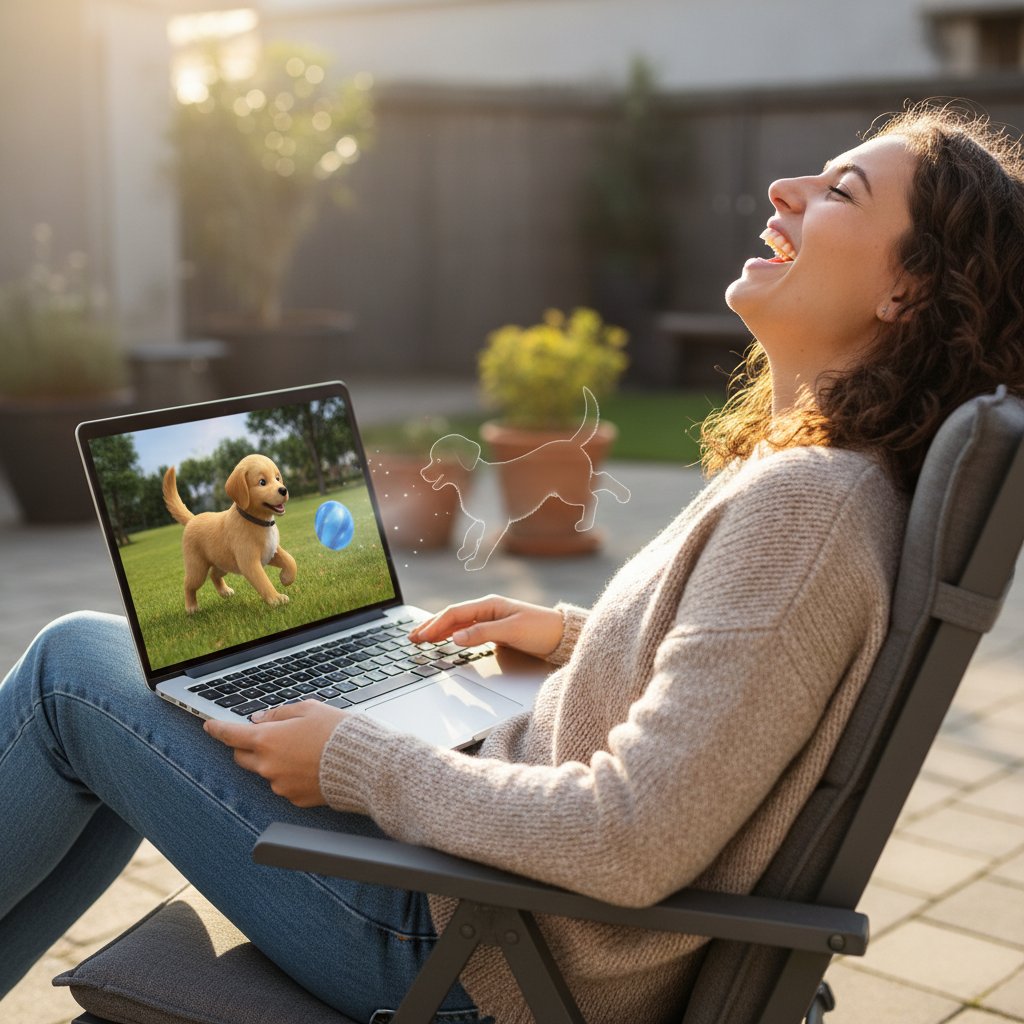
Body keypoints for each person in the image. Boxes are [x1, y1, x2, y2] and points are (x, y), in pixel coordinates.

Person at [3, 103, 1024, 1024]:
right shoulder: (827, 484)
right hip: (506, 905)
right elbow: (741, 701)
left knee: (71, 676)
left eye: (840, 190)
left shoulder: (806, 508)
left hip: (472, 951)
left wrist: (353, 761)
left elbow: (627, 835)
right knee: (130, 707)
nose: (783, 189)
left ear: (909, 287)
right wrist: (573, 641)